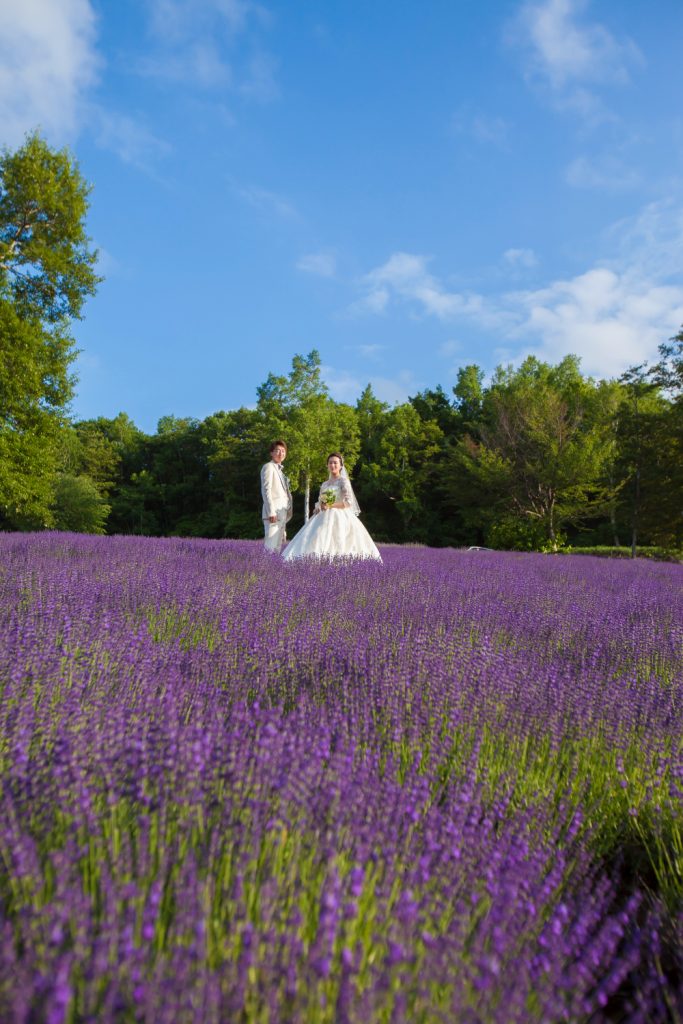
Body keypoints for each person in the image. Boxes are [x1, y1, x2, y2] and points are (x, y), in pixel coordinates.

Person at [282, 453, 381, 562]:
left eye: (335, 463)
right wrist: (318, 507)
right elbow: (320, 501)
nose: (333, 465)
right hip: (323, 516)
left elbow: (348, 502)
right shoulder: (324, 484)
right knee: (318, 538)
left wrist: (330, 505)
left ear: (341, 466)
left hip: (341, 516)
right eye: (330, 463)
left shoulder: (343, 481)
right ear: (327, 465)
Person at [260, 440, 292, 553]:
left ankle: (272, 570)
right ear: (271, 453)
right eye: (277, 450)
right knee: (270, 547)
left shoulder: (281, 472)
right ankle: (265, 570)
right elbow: (266, 490)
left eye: (283, 451)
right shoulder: (268, 467)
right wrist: (271, 512)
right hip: (273, 514)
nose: (281, 453)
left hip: (282, 514)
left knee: (277, 548)